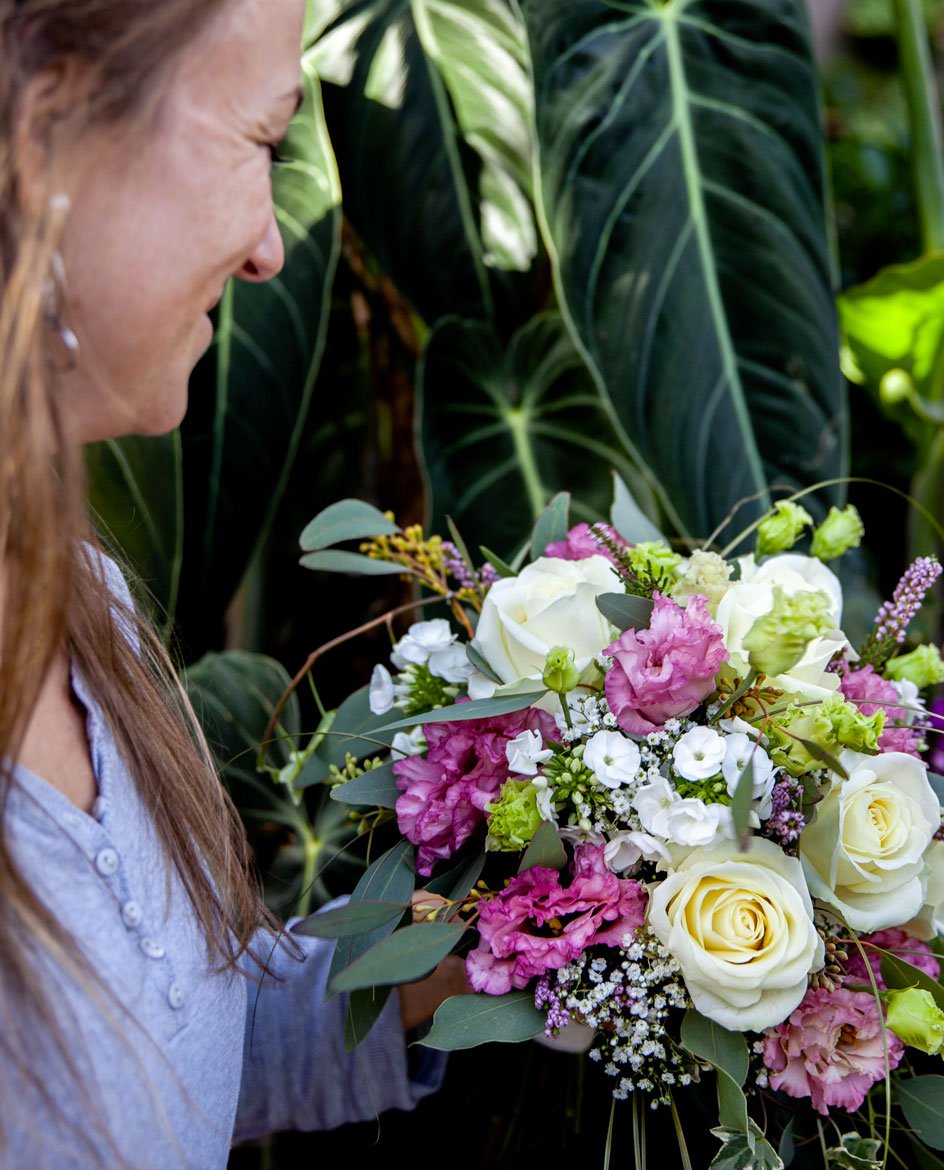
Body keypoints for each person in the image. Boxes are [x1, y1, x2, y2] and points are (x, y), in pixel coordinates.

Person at [0, 0, 462, 1165]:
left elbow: (175, 1062)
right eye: (262, 138)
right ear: (44, 138)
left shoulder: (83, 603)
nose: (271, 245)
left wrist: (513, 944)